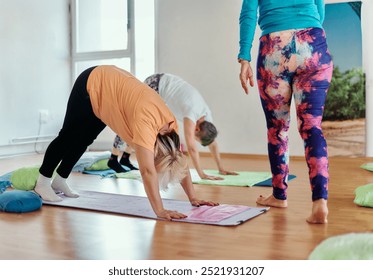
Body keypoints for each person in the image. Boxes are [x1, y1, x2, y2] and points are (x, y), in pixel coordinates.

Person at [34, 65, 218, 220]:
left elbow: (180, 162)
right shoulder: (146, 127)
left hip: (109, 96)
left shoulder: (170, 131)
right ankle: (43, 182)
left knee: (85, 140)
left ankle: (60, 180)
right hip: (92, 82)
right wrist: (159, 210)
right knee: (67, 136)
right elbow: (147, 171)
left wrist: (193, 198)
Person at [238, 0, 333, 224]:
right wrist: (308, 31)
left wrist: (244, 58)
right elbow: (319, 9)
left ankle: (280, 195)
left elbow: (248, 14)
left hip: (274, 46)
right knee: (312, 126)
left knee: (277, 129)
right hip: (312, 42)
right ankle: (320, 201)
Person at [108, 73, 238, 180]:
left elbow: (213, 143)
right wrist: (202, 175)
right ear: (196, 129)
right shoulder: (192, 112)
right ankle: (113, 159)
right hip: (155, 84)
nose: (195, 139)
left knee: (143, 124)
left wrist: (220, 168)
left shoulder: (206, 117)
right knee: (134, 121)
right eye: (197, 138)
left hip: (164, 88)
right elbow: (191, 148)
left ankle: (125, 158)